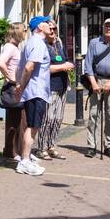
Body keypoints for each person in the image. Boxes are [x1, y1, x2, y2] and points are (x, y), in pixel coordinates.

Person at [12, 16, 53, 176]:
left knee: (31, 125)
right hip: (36, 92)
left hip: (34, 91)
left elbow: (19, 68)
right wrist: (20, 86)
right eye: (46, 23)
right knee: (33, 126)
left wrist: (19, 85)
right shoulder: (37, 43)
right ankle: (24, 161)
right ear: (39, 27)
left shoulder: (30, 43)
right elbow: (28, 67)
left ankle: (26, 158)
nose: (50, 25)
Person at [83, 18, 110, 158]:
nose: (109, 28)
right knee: (94, 114)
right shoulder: (94, 43)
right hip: (96, 81)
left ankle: (109, 145)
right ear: (103, 27)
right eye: (106, 26)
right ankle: (92, 145)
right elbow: (88, 65)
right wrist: (94, 83)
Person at [33, 24, 73, 160]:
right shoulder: (43, 46)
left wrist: (69, 65)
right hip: (49, 87)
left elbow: (66, 59)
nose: (53, 31)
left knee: (58, 119)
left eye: (55, 28)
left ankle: (51, 146)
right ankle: (41, 148)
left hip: (62, 86)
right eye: (51, 28)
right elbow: (43, 68)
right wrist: (62, 67)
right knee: (48, 118)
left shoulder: (59, 44)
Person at [0, 22, 27, 162]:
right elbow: (1, 63)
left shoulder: (15, 47)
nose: (26, 33)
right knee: (14, 121)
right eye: (24, 30)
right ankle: (12, 151)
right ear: (17, 32)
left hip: (18, 87)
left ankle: (18, 150)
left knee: (20, 120)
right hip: (13, 88)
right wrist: (12, 80)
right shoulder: (9, 47)